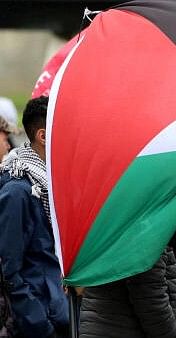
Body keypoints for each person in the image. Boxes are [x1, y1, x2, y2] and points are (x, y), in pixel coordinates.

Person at [0, 96, 69, 338]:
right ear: (42, 136)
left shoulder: (48, 183)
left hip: (57, 312)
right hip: (39, 322)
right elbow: (9, 268)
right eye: (63, 130)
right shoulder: (18, 190)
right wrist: (38, 322)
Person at [79, 247, 176, 338]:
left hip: (99, 325)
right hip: (124, 328)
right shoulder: (143, 229)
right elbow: (151, 300)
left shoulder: (102, 228)